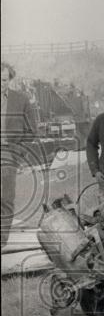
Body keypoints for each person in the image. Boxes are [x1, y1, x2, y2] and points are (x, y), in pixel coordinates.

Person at [1, 62, 40, 249]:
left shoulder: (21, 100)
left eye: (3, 80)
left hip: (9, 152)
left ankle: (1, 240)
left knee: (6, 197)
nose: (0, 83)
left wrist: (19, 152)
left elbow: (31, 130)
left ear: (10, 80)